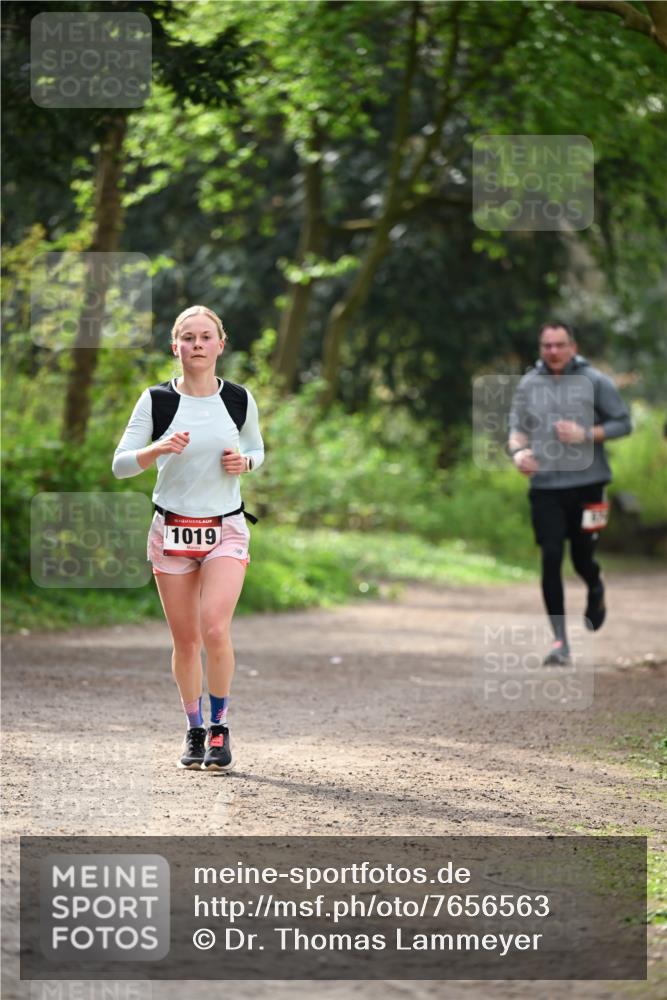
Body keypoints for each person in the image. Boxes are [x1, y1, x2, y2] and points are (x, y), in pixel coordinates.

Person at [112, 305, 264, 770]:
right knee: (186, 642)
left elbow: (255, 447)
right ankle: (194, 729)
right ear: (175, 346)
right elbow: (120, 464)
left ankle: (220, 729)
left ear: (221, 344)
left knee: (215, 628)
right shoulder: (156, 401)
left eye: (205, 337)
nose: (197, 345)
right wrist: (156, 449)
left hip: (226, 528)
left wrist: (247, 463)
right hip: (172, 529)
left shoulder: (238, 398)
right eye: (188, 338)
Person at [507, 321, 631, 665]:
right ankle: (560, 642)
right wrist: (518, 453)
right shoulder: (529, 385)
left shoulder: (595, 381)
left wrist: (585, 433)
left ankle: (594, 586)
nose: (553, 352)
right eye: (547, 346)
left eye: (559, 345)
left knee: (581, 558)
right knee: (550, 557)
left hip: (589, 486)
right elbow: (516, 429)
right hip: (545, 487)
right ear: (540, 348)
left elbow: (624, 423)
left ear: (572, 347)